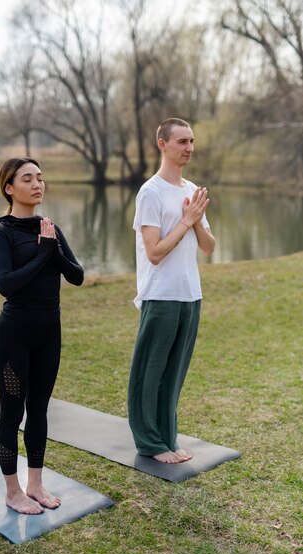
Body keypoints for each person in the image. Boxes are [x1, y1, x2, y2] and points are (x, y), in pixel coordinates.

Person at [0, 157, 84, 514]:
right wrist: (43, 254)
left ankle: (36, 484)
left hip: (49, 334)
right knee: (12, 414)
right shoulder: (1, 234)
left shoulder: (50, 228)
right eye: (28, 178)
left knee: (39, 410)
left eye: (40, 178)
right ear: (9, 188)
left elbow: (77, 276)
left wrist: (52, 251)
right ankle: (13, 492)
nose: (38, 184)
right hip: (14, 336)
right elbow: (6, 285)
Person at [127, 118, 215, 464]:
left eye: (191, 141)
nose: (189, 147)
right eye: (182, 141)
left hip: (190, 293)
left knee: (175, 371)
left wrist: (195, 219)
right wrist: (185, 220)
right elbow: (155, 252)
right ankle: (149, 441)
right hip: (160, 294)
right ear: (162, 143)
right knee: (150, 370)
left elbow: (208, 247)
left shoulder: (191, 191)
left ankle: (167, 437)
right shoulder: (150, 192)